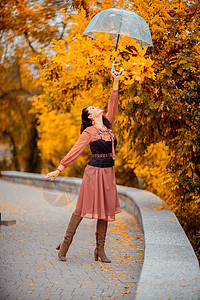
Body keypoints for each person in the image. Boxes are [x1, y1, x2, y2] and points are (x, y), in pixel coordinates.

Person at [44, 69, 122, 263]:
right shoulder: (89, 131)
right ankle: (65, 245)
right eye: (93, 108)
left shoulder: (108, 125)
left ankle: (100, 250)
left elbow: (113, 105)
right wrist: (60, 168)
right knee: (81, 209)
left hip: (108, 172)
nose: (97, 107)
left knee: (105, 211)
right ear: (89, 116)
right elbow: (75, 150)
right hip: (94, 173)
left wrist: (116, 81)